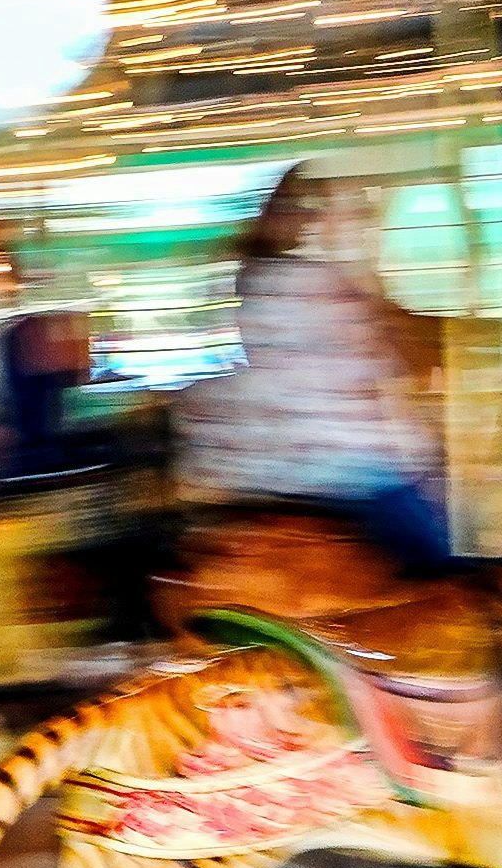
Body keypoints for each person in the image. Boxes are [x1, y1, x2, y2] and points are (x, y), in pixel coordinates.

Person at [181, 163, 453, 573]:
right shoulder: (326, 285)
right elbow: (402, 359)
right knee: (445, 568)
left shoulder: (252, 281)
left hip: (271, 470)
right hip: (351, 467)